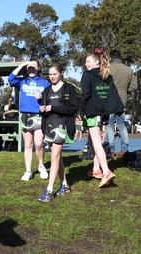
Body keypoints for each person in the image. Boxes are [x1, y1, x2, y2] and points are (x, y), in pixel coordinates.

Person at [81, 48, 122, 188]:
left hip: (92, 112)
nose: (86, 64)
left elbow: (85, 95)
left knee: (97, 143)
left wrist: (81, 112)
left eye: (88, 61)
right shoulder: (106, 75)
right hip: (104, 112)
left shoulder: (87, 75)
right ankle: (96, 169)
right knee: (94, 141)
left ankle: (106, 171)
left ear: (96, 61)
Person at [37, 64, 79, 202]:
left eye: (54, 74)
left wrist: (53, 108)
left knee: (54, 156)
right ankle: (65, 185)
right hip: (49, 126)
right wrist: (42, 108)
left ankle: (49, 190)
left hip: (62, 126)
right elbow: (43, 108)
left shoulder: (69, 88)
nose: (52, 76)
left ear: (60, 74)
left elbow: (73, 109)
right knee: (58, 157)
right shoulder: (46, 90)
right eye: (50, 74)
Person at [9, 60, 51, 181]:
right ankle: (28, 171)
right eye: (29, 68)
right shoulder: (22, 81)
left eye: (33, 67)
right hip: (25, 116)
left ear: (38, 68)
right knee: (28, 145)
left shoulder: (44, 83)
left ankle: (41, 166)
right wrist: (22, 65)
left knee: (39, 144)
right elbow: (11, 79)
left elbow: (50, 98)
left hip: (39, 116)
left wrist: (42, 97)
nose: (31, 70)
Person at [105, 50, 137, 155]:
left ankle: (111, 147)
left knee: (110, 124)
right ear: (120, 57)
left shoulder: (107, 69)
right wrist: (124, 91)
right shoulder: (128, 70)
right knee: (122, 124)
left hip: (109, 100)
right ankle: (125, 149)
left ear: (111, 58)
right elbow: (134, 86)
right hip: (122, 99)